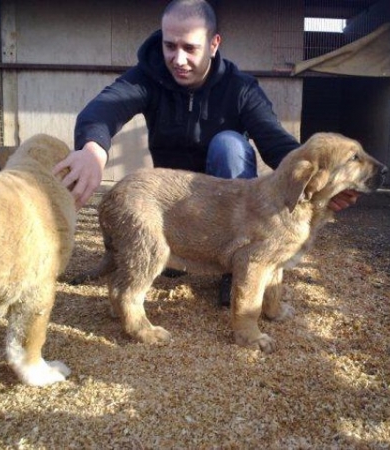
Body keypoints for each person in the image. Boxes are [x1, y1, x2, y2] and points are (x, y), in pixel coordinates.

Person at [54, 0, 359, 306]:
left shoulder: (241, 88)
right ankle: (175, 250)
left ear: (214, 44)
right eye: (169, 46)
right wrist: (93, 149)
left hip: (225, 206)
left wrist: (319, 181)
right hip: (175, 208)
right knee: (153, 252)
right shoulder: (147, 77)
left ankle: (236, 268)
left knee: (229, 145)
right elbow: (104, 109)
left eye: (190, 47)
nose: (178, 59)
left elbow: (277, 144)